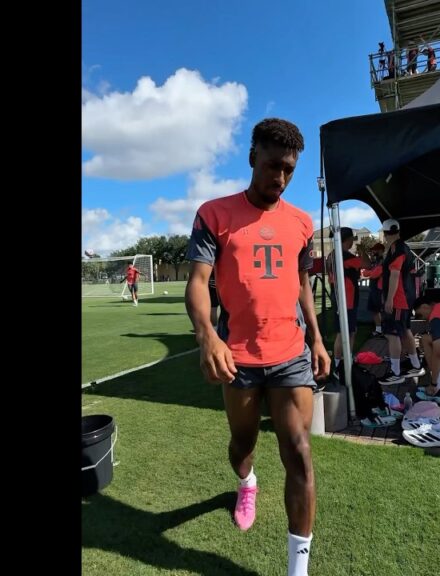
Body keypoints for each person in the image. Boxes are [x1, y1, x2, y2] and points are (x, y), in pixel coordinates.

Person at [185, 117, 328, 576]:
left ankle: (297, 570)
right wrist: (207, 333)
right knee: (242, 443)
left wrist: (318, 338)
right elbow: (198, 281)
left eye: (288, 170)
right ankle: (247, 483)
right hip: (238, 357)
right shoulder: (214, 214)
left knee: (299, 450)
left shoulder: (302, 222)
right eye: (271, 166)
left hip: (290, 353)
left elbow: (302, 282)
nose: (280, 179)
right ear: (252, 159)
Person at [378, 219, 425, 386]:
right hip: (404, 298)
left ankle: (396, 371)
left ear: (385, 234)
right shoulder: (398, 248)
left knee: (392, 334)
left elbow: (395, 275)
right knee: (405, 331)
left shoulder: (398, 249)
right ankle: (415, 365)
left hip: (399, 298)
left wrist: (389, 299)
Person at [326, 227, 361, 378]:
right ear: (349, 239)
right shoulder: (344, 255)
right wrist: (363, 249)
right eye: (353, 238)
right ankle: (341, 366)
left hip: (341, 297)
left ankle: (342, 364)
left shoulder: (332, 255)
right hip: (347, 299)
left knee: (347, 332)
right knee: (345, 332)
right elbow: (366, 263)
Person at [360, 242, 386, 335]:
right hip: (373, 287)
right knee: (374, 310)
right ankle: (379, 330)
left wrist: (369, 273)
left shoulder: (383, 260)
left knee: (380, 309)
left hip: (379, 289)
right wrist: (370, 273)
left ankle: (384, 329)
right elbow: (367, 272)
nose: (373, 252)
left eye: (374, 250)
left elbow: (375, 273)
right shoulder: (376, 261)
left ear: (380, 250)